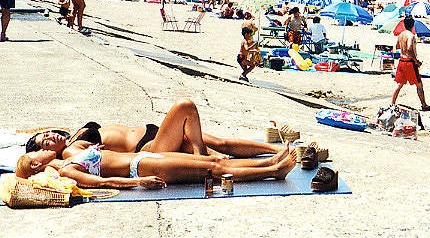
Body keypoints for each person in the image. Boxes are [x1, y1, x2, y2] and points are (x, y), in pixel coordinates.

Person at [25, 99, 284, 160]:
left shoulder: (72, 136)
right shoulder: (70, 152)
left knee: (220, 143)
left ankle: (277, 150)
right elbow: (94, 160)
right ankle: (204, 162)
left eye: (47, 134)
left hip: (152, 132)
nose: (51, 136)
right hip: (148, 147)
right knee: (185, 108)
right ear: (46, 152)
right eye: (46, 142)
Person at [16, 144, 297, 188]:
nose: (41, 151)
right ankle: (273, 172)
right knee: (212, 172)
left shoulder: (67, 159)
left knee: (216, 161)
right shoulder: (66, 171)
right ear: (37, 165)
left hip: (143, 159)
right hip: (142, 169)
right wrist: (139, 181)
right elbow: (104, 182)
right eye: (36, 154)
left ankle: (270, 161)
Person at [391, 16, 430, 111]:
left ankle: (392, 103)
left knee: (399, 84)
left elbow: (397, 46)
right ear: (413, 25)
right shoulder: (411, 35)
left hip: (402, 61)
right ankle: (424, 105)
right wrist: (416, 61)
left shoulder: (401, 35)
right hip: (409, 62)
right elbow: (409, 48)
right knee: (419, 84)